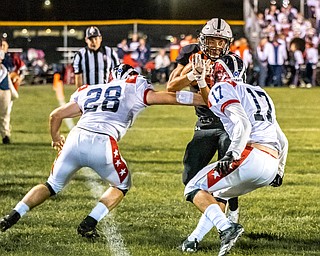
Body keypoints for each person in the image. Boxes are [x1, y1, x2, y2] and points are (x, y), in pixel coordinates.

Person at [0, 64, 205, 238]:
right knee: (122, 184)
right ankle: (90, 223)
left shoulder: (89, 90)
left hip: (75, 138)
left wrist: (56, 138)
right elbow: (171, 97)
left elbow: (56, 115)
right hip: (103, 142)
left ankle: (12, 216)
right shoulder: (134, 87)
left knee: (51, 185)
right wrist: (204, 100)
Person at [184, 53, 288, 256]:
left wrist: (232, 153)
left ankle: (227, 228)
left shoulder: (224, 87)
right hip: (271, 163)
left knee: (193, 187)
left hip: (250, 155)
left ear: (221, 72)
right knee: (219, 194)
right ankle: (193, 239)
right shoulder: (260, 92)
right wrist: (280, 170)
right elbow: (282, 139)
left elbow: (243, 124)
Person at [166, 18, 241, 252]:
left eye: (220, 41)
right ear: (202, 40)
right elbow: (172, 86)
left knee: (222, 181)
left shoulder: (234, 63)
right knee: (190, 177)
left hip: (229, 123)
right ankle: (230, 216)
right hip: (205, 124)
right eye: (211, 40)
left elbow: (217, 101)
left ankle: (205, 233)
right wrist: (192, 75)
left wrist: (200, 80)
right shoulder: (194, 58)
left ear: (227, 43)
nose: (216, 46)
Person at [0, 48, 13, 144]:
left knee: (4, 114)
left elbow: (10, 65)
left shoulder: (5, 58)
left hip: (4, 89)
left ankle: (5, 135)